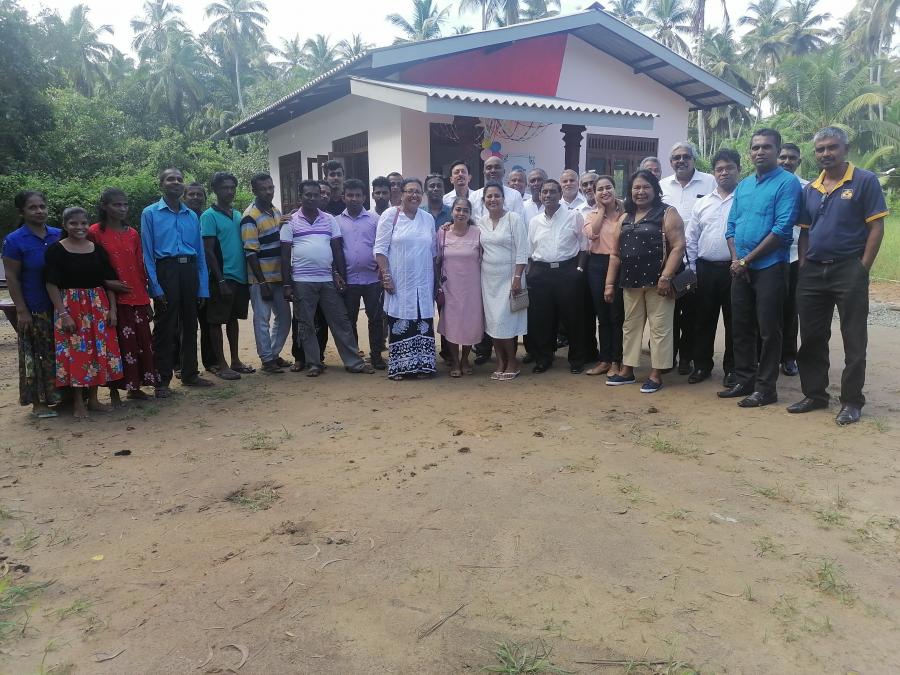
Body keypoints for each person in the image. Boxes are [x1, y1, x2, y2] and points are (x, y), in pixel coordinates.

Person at [788, 127, 889, 425]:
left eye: (832, 147)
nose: (825, 154)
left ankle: (851, 401)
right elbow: (804, 231)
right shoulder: (810, 188)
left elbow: (876, 228)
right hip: (813, 271)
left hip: (849, 268)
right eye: (820, 149)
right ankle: (815, 395)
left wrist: (863, 268)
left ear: (845, 148)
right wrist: (804, 263)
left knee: (853, 338)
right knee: (811, 337)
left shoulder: (865, 181)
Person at [719, 128, 801, 407]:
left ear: (777, 151)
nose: (760, 152)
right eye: (755, 147)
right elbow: (731, 226)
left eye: (766, 147)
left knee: (769, 330)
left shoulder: (787, 183)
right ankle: (744, 380)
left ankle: (766, 388)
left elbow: (781, 229)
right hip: (740, 268)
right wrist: (735, 260)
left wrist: (746, 260)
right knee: (741, 326)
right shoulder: (744, 185)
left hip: (770, 267)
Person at [280, 180, 374, 377]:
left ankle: (354, 363)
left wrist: (340, 275)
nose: (313, 198)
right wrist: (287, 284)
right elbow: (285, 255)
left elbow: (337, 249)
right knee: (306, 324)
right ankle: (314, 363)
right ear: (301, 197)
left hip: (327, 279)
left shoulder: (329, 219)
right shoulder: (290, 221)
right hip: (302, 281)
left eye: (316, 194)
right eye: (308, 195)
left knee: (341, 321)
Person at [604, 170, 685, 393]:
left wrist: (666, 277)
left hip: (660, 283)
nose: (640, 192)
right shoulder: (625, 218)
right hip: (630, 282)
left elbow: (678, 246)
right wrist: (609, 284)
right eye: (636, 188)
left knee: (660, 328)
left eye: (645, 187)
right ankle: (627, 370)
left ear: (655, 189)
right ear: (630, 192)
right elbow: (615, 254)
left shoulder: (667, 213)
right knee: (630, 326)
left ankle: (656, 374)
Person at [44, 206, 123, 418]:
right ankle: (79, 402)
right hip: (71, 307)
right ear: (65, 225)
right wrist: (63, 314)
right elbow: (51, 284)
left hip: (98, 306)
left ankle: (95, 399)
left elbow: (109, 283)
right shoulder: (56, 250)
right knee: (76, 355)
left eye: (83, 223)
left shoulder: (97, 249)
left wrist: (112, 309)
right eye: (73, 223)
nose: (79, 227)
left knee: (99, 352)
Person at [141, 168, 212, 396]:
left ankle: (190, 374)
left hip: (189, 270)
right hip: (166, 270)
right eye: (170, 179)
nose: (176, 183)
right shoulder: (150, 213)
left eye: (180, 179)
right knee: (165, 326)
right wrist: (155, 286)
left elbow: (200, 253)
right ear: (161, 184)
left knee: (191, 324)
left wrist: (203, 287)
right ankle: (161, 380)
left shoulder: (191, 215)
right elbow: (147, 253)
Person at [88, 188, 157, 402]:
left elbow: (138, 266)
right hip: (110, 299)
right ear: (104, 206)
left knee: (140, 343)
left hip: (136, 296)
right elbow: (90, 265)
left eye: (125, 204)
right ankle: (114, 390)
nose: (122, 208)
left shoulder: (132, 233)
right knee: (115, 344)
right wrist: (107, 282)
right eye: (116, 204)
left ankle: (135, 388)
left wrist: (146, 299)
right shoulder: (94, 232)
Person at [2, 191, 63, 417]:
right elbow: (12, 277)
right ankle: (38, 403)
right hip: (34, 307)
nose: (40, 211)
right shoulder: (15, 240)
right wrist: (21, 310)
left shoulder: (59, 234)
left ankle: (62, 398)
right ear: (22, 212)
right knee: (35, 356)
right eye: (33, 207)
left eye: (42, 206)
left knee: (59, 354)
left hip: (60, 307)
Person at [684, 149, 740, 387]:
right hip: (706, 270)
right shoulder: (703, 203)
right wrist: (693, 271)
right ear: (713, 173)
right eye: (719, 169)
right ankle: (702, 366)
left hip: (735, 270)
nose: (724, 172)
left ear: (738, 170)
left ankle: (732, 369)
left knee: (734, 321)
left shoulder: (744, 200)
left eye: (729, 168)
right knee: (703, 320)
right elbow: (691, 240)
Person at [660, 142, 717, 376]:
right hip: (666, 262)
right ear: (670, 162)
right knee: (667, 312)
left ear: (694, 159)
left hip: (695, 260)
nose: (680, 161)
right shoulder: (662, 185)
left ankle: (687, 357)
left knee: (693, 313)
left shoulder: (710, 182)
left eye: (685, 156)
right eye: (676, 158)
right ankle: (667, 358)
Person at [374, 178, 439, 380]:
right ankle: (401, 368)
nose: (414, 195)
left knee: (422, 321)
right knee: (400, 319)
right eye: (409, 191)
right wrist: (386, 277)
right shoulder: (390, 215)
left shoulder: (427, 218)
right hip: (399, 282)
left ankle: (423, 367)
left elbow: (434, 252)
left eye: (418, 192)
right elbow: (380, 249)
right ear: (401, 193)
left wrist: (435, 282)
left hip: (423, 281)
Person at [526, 179, 588, 374]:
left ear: (560, 194)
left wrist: (578, 272)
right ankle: (544, 358)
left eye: (552, 191)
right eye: (544, 192)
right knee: (542, 319)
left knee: (573, 317)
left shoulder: (574, 216)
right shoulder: (534, 221)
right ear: (540, 195)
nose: (548, 195)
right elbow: (530, 250)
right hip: (541, 273)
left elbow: (584, 247)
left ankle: (577, 359)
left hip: (567, 272)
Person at [201, 172, 253, 380]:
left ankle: (235, 360)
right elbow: (208, 251)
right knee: (215, 321)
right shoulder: (208, 216)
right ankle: (221, 364)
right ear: (215, 190)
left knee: (233, 319)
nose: (229, 191)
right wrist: (220, 279)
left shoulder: (238, 215)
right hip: (221, 278)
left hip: (239, 277)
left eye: (232, 187)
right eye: (224, 188)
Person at [242, 173, 291, 374]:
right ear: (254, 191)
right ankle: (267, 359)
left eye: (271, 188)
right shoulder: (250, 216)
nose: (268, 192)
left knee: (285, 318)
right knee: (262, 319)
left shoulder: (275, 211)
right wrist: (262, 283)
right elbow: (250, 253)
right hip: (260, 278)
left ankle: (272, 354)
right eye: (263, 189)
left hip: (278, 276)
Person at [479, 182, 528, 380]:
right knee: (492, 323)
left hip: (510, 279)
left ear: (503, 198)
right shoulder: (481, 222)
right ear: (483, 201)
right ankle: (500, 361)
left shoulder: (513, 219)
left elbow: (523, 251)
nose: (493, 199)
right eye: (489, 196)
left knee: (505, 322)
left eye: (496, 196)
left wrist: (517, 278)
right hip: (488, 280)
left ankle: (513, 361)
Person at [337, 179, 386, 370]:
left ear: (365, 197)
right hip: (349, 280)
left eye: (358, 195)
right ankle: (354, 356)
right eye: (350, 195)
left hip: (373, 279)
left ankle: (376, 356)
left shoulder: (375, 220)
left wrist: (382, 270)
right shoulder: (336, 221)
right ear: (343, 197)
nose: (354, 199)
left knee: (375, 319)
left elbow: (382, 246)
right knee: (350, 320)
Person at [437, 197, 484, 377]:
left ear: (470, 214)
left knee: (470, 323)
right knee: (453, 323)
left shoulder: (478, 232)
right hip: (451, 287)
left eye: (465, 210)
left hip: (472, 287)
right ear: (452, 212)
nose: (461, 213)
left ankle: (465, 359)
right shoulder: (442, 233)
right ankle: (455, 362)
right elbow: (437, 260)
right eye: (458, 209)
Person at [583, 175, 624, 377]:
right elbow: (593, 234)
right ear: (594, 193)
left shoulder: (626, 212)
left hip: (621, 264)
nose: (604, 192)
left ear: (615, 189)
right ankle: (605, 359)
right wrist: (601, 209)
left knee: (617, 314)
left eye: (608, 187)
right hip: (597, 265)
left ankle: (618, 360)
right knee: (603, 315)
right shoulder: (591, 214)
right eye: (600, 189)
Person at [777, 142, 809, 377]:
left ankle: (788, 357)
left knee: (790, 308)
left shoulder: (808, 189)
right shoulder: (764, 184)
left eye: (792, 158)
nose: (787, 161)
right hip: (766, 257)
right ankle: (762, 355)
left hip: (796, 256)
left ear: (799, 161)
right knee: (764, 308)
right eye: (783, 157)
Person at [181, 183, 215, 374]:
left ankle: (210, 362)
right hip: (185, 274)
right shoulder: (181, 217)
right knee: (183, 324)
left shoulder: (207, 217)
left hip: (208, 277)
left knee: (208, 321)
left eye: (199, 194)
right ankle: (180, 364)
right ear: (184, 197)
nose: (195, 197)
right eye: (191, 194)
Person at [469, 157, 526, 222]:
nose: (493, 170)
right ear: (484, 172)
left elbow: (518, 222)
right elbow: (471, 222)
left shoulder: (515, 195)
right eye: (489, 168)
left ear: (504, 172)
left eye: (497, 167)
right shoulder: (474, 196)